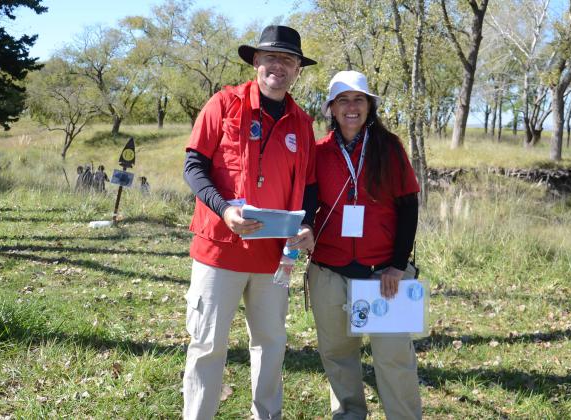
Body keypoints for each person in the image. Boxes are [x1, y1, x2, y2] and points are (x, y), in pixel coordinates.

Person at [181, 25, 319, 420]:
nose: (279, 66)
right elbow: (194, 166)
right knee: (207, 345)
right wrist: (223, 209)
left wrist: (306, 224)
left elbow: (309, 187)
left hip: (274, 257)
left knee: (271, 344)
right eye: (271, 57)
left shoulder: (302, 123)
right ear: (256, 62)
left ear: (297, 71)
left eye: (289, 60)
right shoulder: (223, 104)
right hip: (218, 251)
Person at [307, 70, 422, 419]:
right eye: (343, 100)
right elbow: (307, 203)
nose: (351, 107)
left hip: (382, 274)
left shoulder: (390, 147)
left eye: (359, 99)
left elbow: (409, 207)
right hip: (329, 271)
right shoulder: (319, 151)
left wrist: (398, 265)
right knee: (338, 355)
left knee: (394, 358)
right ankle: (349, 415)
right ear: (331, 108)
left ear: (370, 106)